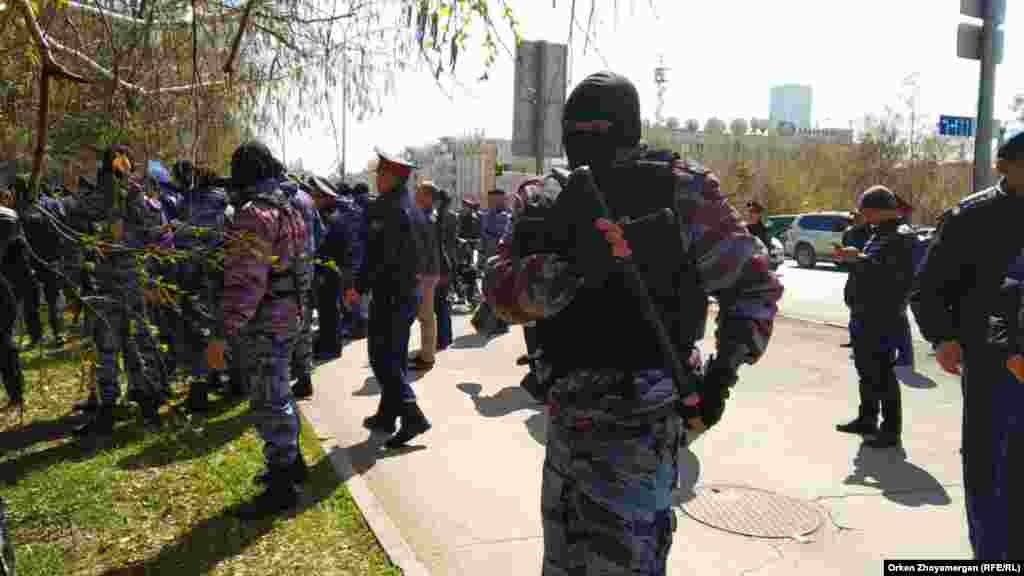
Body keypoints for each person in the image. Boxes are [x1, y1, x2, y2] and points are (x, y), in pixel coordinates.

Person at [486, 71, 783, 574]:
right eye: (576, 130)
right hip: (567, 422)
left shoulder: (681, 191)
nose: (585, 142)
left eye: (594, 129)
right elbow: (500, 295)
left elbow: (752, 287)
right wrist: (575, 262)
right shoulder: (548, 199)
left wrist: (720, 378)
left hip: (641, 429)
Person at [916, 132, 1024, 560]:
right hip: (992, 363)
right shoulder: (972, 216)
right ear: (1005, 167)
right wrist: (942, 336)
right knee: (992, 467)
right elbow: (929, 284)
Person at [209, 141, 309, 518]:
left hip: (267, 319)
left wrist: (223, 332)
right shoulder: (288, 206)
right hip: (288, 313)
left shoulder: (255, 214)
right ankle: (293, 464)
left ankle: (282, 486)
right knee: (279, 390)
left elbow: (245, 282)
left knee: (269, 398)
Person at [71, 147, 167, 443]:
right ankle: (132, 407)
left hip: (115, 282)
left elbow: (77, 222)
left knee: (116, 345)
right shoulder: (128, 195)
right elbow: (153, 230)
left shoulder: (110, 196)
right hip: (118, 282)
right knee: (122, 343)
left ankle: (127, 405)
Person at [346, 151, 432, 449]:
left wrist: (358, 286)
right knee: (394, 356)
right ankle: (386, 416)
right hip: (408, 291)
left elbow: (377, 256)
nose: (377, 179)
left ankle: (412, 415)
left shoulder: (385, 208)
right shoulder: (414, 207)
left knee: (381, 359)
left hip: (390, 293)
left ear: (394, 177)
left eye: (381, 174)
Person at [833, 186, 915, 448]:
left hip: (882, 316)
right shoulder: (879, 233)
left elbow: (890, 275)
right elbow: (871, 265)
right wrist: (854, 258)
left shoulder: (901, 236)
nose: (864, 216)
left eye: (867, 211)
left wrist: (858, 258)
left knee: (883, 374)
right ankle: (867, 419)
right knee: (866, 371)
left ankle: (891, 431)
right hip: (864, 313)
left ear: (881, 210)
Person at [311, 177, 352, 362]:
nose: (314, 199)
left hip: (330, 269)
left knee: (329, 310)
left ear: (326, 197)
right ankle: (327, 343)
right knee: (327, 308)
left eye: (317, 196)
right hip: (329, 268)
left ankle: (331, 347)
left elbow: (329, 247)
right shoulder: (331, 215)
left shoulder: (332, 218)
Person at [409, 180, 441, 371]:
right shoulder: (427, 214)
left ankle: (427, 357)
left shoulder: (427, 217)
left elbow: (422, 249)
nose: (416, 194)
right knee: (426, 315)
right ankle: (426, 353)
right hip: (428, 271)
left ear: (428, 197)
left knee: (426, 315)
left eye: (420, 192)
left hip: (426, 273)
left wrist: (417, 272)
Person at [0, 205, 25, 416]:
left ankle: (16, 396)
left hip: (5, 294)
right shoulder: (10, 217)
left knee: (5, 347)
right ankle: (16, 395)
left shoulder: (7, 218)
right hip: (8, 292)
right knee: (6, 347)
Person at [840, 211, 872, 349]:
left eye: (858, 217)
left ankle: (864, 341)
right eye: (854, 218)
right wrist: (842, 256)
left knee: (864, 309)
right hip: (854, 273)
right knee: (851, 302)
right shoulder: (848, 232)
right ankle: (855, 340)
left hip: (868, 276)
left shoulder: (871, 232)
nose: (855, 220)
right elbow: (844, 251)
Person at [434, 188, 458, 351]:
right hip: (449, 261)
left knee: (439, 304)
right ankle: (446, 336)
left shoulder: (435, 217)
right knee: (444, 302)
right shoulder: (452, 216)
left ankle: (441, 339)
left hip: (439, 263)